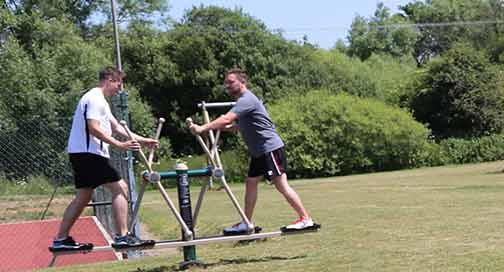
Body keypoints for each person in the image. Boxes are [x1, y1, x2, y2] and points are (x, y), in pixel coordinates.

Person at [188, 68, 316, 234]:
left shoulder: (246, 100)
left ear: (242, 82)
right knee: (251, 183)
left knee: (281, 185)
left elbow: (226, 118)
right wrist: (224, 128)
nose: (227, 86)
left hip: (270, 148)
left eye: (231, 82)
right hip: (259, 152)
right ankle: (246, 222)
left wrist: (203, 128)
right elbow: (237, 126)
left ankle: (305, 219)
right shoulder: (243, 102)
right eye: (226, 83)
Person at [50, 67, 159, 252]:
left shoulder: (101, 101)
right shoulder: (94, 99)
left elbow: (117, 127)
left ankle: (61, 239)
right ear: (109, 79)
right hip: (89, 154)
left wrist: (144, 140)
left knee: (83, 196)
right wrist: (119, 145)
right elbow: (93, 128)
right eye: (118, 83)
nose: (119, 89)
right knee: (120, 188)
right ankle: (122, 236)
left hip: (82, 154)